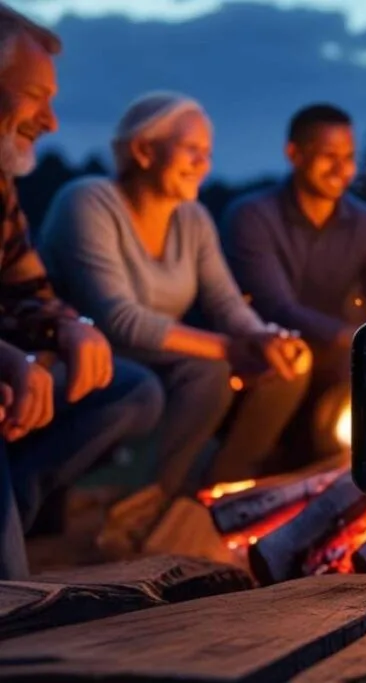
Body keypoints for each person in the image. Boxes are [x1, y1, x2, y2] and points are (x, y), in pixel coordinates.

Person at [37, 92, 312, 553]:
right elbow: (117, 319)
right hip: (76, 354)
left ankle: (172, 506)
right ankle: (130, 514)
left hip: (154, 359)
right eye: (192, 151)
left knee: (275, 372)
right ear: (144, 151)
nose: (203, 164)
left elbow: (227, 304)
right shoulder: (87, 202)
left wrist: (266, 338)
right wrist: (229, 349)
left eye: (208, 154)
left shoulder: (193, 219)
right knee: (210, 371)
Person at [0, 6, 163, 578]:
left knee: (134, 391)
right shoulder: (89, 203)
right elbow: (123, 313)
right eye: (35, 96)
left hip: (18, 368)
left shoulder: (1, 183)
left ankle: (19, 510)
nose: (51, 121)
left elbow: (25, 288)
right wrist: (13, 361)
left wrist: (69, 328)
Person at [221, 104, 366, 461]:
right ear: (294, 154)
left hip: (334, 361)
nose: (342, 169)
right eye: (328, 156)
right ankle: (225, 481)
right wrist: (358, 339)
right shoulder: (251, 216)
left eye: (349, 157)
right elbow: (276, 306)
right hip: (263, 356)